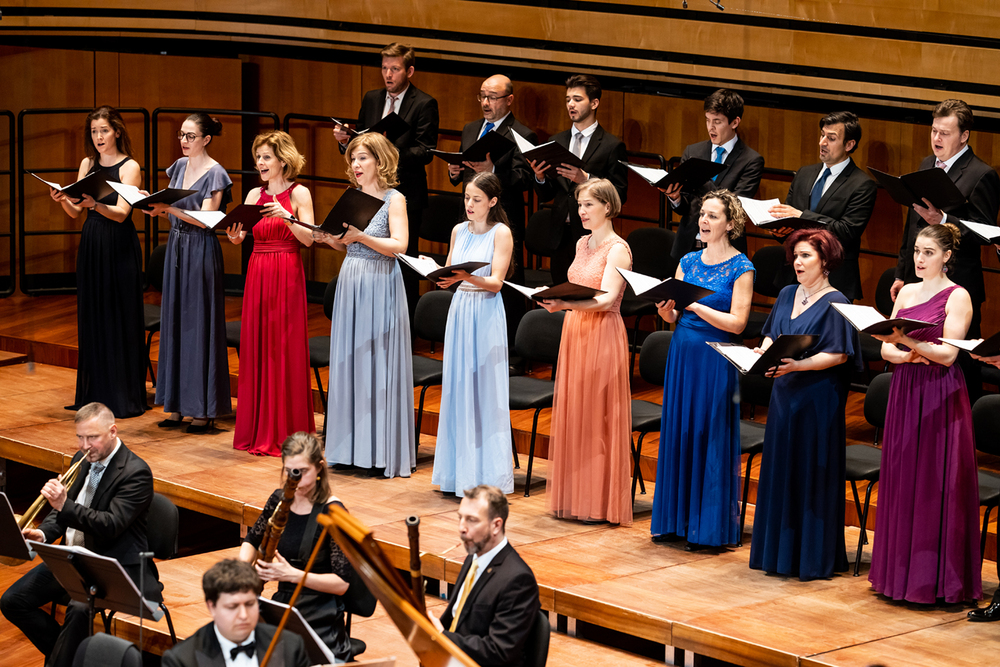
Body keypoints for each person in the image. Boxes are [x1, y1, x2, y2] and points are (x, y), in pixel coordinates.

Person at [868, 223, 981, 604]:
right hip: (906, 389)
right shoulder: (907, 292)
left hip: (940, 393)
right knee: (903, 477)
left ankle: (936, 581)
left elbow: (949, 355)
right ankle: (898, 577)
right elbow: (884, 349)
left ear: (947, 257)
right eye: (917, 250)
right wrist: (903, 351)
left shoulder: (958, 296)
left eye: (928, 252)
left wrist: (908, 342)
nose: (919, 259)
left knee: (937, 482)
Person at [0, 403, 162, 667]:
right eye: (80, 437)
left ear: (112, 431)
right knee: (13, 601)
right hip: (73, 559)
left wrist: (65, 505)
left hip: (112, 564)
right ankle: (74, 661)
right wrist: (43, 533)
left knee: (78, 608)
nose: (85, 445)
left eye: (93, 437)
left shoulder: (136, 473)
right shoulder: (82, 459)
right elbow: (60, 514)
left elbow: (111, 524)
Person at [748, 229, 862, 580]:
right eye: (795, 256)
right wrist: (763, 351)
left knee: (811, 468)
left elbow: (840, 355)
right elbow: (772, 333)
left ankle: (810, 557)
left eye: (806, 256)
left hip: (816, 396)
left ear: (825, 262)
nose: (797, 262)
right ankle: (778, 553)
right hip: (784, 392)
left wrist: (798, 365)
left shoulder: (837, 301)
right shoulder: (786, 293)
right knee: (783, 467)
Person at [651, 191, 754, 549]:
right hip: (683, 353)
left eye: (712, 216)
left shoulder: (742, 267)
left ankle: (707, 529)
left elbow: (738, 324)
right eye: (702, 215)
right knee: (680, 431)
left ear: (730, 224)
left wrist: (696, 306)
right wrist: (667, 311)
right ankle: (674, 521)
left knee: (709, 434)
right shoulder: (688, 260)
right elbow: (676, 315)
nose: (704, 221)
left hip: (715, 356)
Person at [316, 133, 415, 478]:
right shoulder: (352, 198)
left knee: (377, 362)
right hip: (352, 279)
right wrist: (330, 239)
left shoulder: (394, 198)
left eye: (362, 159)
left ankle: (379, 451)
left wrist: (361, 237)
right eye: (353, 160)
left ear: (380, 161)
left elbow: (400, 246)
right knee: (351, 360)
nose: (356, 166)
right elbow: (347, 246)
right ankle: (349, 449)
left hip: (380, 280)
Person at [890, 99, 1000, 399]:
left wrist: (945, 220)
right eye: (934, 131)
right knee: (918, 354)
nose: (937, 139)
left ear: (964, 135)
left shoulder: (982, 174)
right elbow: (912, 225)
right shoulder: (927, 165)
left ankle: (965, 429)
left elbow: (985, 233)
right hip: (922, 281)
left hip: (959, 284)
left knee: (960, 362)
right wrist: (902, 273)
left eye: (945, 133)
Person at [540, 178, 633, 526]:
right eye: (579, 205)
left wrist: (563, 302)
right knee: (575, 411)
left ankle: (599, 502)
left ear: (607, 207)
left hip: (602, 331)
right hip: (576, 329)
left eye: (589, 204)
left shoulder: (618, 248)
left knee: (597, 417)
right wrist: (556, 297)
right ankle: (574, 497)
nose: (582, 211)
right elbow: (577, 285)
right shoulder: (581, 242)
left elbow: (608, 297)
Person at [49, 106, 147, 418]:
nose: (99, 136)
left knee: (118, 314)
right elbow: (77, 213)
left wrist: (94, 204)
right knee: (93, 314)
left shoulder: (130, 167)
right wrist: (65, 199)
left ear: (117, 131)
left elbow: (121, 214)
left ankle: (122, 396)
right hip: (92, 242)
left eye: (104, 130)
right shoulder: (87, 163)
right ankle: (95, 394)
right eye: (94, 131)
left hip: (118, 244)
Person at [240, 432, 369, 662]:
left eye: (302, 472)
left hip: (321, 615)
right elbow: (252, 539)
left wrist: (292, 575)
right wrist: (240, 574)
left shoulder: (334, 513)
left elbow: (341, 585)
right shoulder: (280, 500)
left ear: (320, 467)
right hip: (284, 605)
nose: (295, 479)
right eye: (289, 472)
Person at [333, 42, 439, 321]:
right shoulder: (371, 98)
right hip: (369, 192)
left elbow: (425, 150)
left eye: (395, 69)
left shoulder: (424, 103)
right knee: (361, 245)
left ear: (409, 71)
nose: (388, 74)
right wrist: (347, 142)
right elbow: (361, 142)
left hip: (405, 192)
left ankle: (403, 326)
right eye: (384, 68)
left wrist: (386, 154)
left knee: (403, 263)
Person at [226, 131, 315, 456]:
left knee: (283, 348)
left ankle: (286, 433)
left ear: (283, 160)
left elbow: (309, 239)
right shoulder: (253, 194)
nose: (260, 163)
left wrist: (286, 216)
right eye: (258, 157)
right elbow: (243, 234)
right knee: (257, 348)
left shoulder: (300, 192)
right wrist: (236, 238)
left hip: (287, 271)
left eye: (266, 157)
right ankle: (256, 429)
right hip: (258, 272)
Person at [430, 172, 515, 496]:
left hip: (485, 311)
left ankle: (487, 475)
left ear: (492, 202)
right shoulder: (457, 230)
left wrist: (468, 276)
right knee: (458, 386)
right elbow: (450, 270)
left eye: (476, 199)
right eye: (467, 198)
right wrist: (437, 271)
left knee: (484, 389)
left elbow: (496, 283)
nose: (469, 204)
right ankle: (456, 474)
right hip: (461, 309)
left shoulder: (500, 233)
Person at [148, 113, 233, 433]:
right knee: (175, 324)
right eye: (181, 135)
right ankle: (176, 404)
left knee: (198, 326)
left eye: (190, 136)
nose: (183, 141)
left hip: (200, 249)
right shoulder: (179, 167)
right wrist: (151, 203)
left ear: (206, 139)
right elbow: (170, 207)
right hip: (177, 247)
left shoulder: (217, 174)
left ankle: (203, 408)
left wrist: (168, 208)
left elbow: (208, 219)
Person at [448, 74, 538, 346]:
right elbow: (464, 170)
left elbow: (525, 179)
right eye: (482, 96)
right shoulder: (471, 127)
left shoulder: (522, 133)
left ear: (509, 100)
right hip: (471, 218)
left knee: (506, 281)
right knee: (467, 275)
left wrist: (494, 171)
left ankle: (512, 349)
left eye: (492, 97)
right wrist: (454, 171)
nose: (486, 103)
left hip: (503, 219)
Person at [767, 111, 877, 302]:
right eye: (822, 135)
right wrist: (780, 229)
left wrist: (802, 216)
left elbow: (846, 231)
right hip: (793, 276)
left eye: (831, 138)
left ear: (849, 145)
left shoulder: (862, 185)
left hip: (834, 279)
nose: (822, 142)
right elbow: (790, 218)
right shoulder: (804, 173)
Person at [528, 74, 628, 285]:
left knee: (585, 296)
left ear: (594, 103)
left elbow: (620, 194)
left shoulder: (611, 145)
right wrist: (539, 177)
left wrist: (587, 179)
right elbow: (547, 194)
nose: (571, 104)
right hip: (560, 235)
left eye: (577, 99)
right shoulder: (557, 140)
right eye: (568, 99)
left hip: (591, 234)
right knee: (560, 296)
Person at [431, 485, 541, 667]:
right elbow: (455, 619)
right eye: (460, 518)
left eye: (472, 520)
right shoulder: (473, 557)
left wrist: (443, 638)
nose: (462, 528)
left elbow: (499, 651)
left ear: (496, 525)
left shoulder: (518, 580)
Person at [666, 89, 764, 259]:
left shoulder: (751, 160)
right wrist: (675, 198)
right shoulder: (693, 152)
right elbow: (685, 208)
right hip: (688, 246)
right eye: (707, 120)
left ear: (735, 122)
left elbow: (734, 208)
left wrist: (700, 179)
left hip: (726, 251)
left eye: (717, 122)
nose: (710, 128)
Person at [161, 559, 309, 667]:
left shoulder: (291, 645)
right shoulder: (182, 660)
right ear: (211, 607)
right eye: (232, 607)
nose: (244, 615)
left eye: (250, 604)